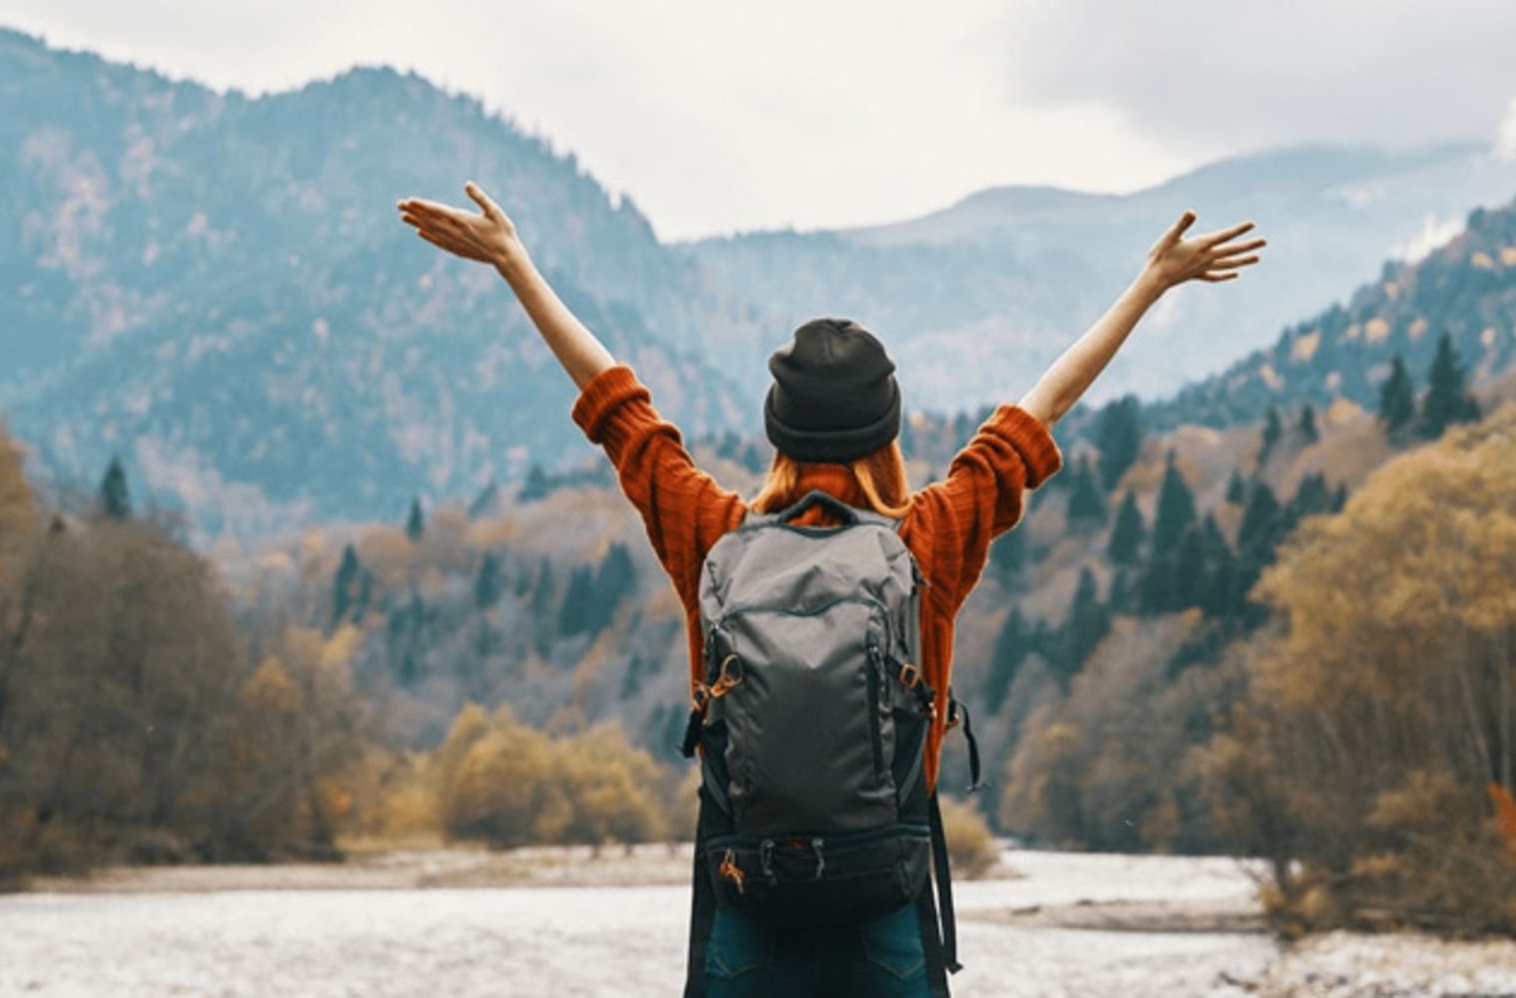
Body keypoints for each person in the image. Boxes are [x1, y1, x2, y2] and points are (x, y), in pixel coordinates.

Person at [396, 182, 1262, 996]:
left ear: (776, 432)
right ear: (887, 429)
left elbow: (620, 411)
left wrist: (517, 263)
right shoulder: (926, 541)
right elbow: (1034, 415)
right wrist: (1149, 287)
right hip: (883, 897)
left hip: (747, 900)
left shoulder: (714, 538)